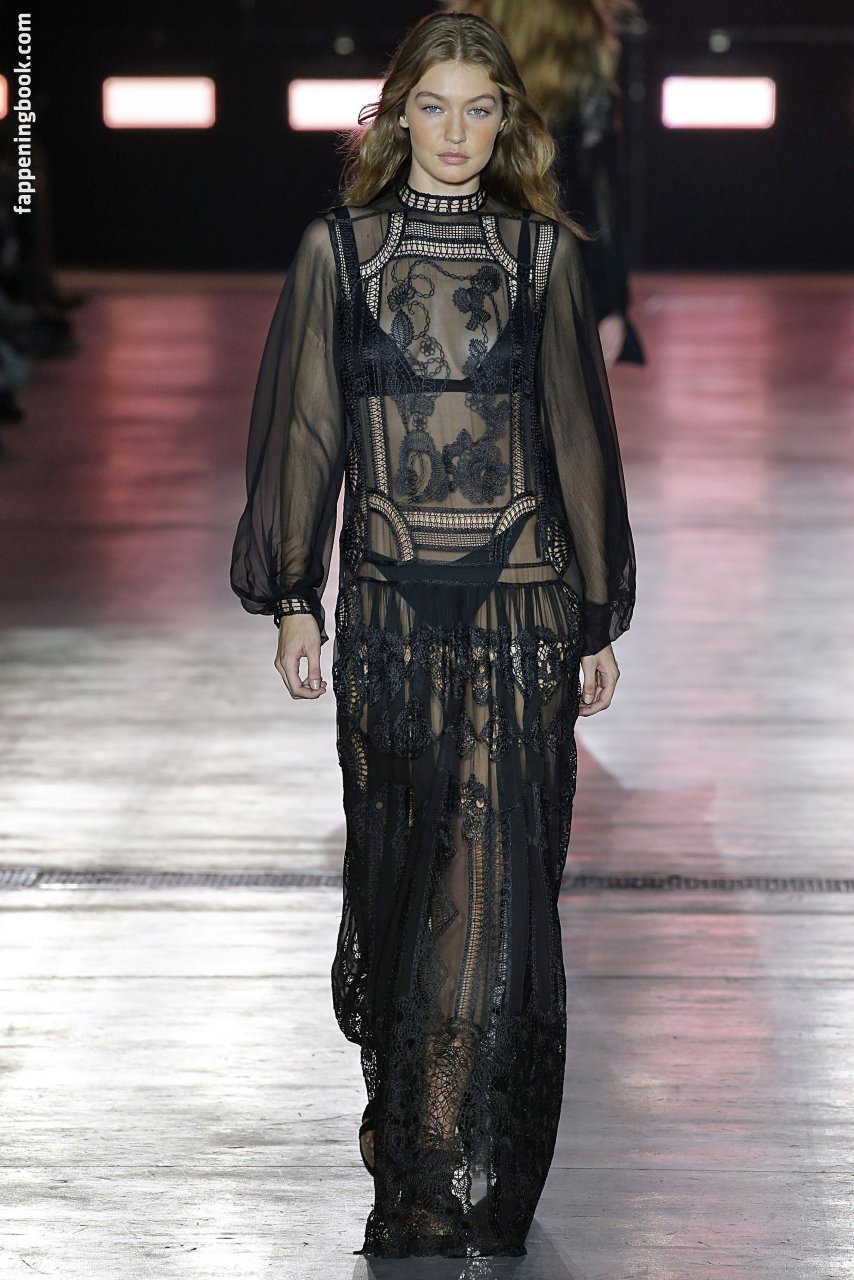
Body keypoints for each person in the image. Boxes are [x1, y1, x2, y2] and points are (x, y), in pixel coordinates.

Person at [230, 10, 635, 1259]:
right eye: (433, 106)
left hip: (520, 608)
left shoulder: (541, 254)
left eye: (479, 109)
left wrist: (595, 616)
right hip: (391, 614)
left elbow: (575, 439)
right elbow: (308, 429)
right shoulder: (340, 252)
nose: (455, 131)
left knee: (492, 887)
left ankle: (443, 1171)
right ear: (395, 114)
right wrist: (292, 596)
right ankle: (403, 1108)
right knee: (400, 878)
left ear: (504, 122)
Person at [445, 0, 645, 368]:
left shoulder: (465, 29)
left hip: (470, 249)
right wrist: (610, 302)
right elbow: (599, 188)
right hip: (555, 252)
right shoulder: (581, 31)